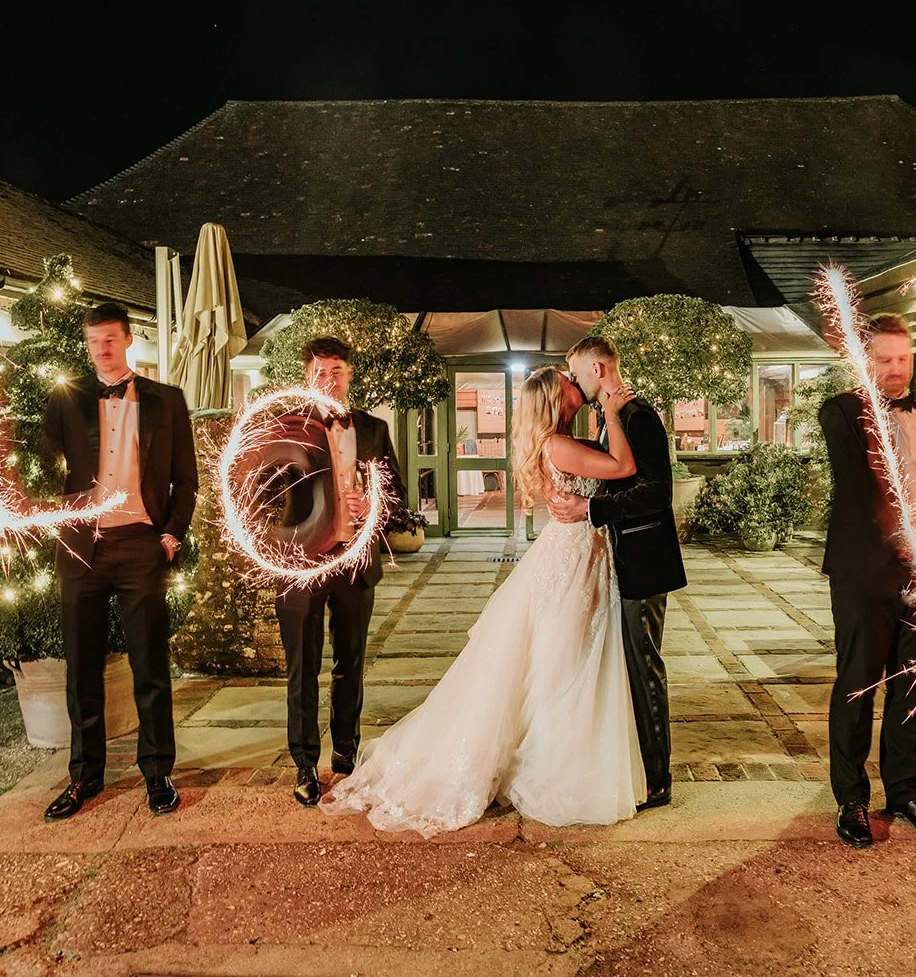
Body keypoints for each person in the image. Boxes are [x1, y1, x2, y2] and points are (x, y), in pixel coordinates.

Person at [321, 367, 645, 835]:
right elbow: (624, 468)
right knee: (565, 660)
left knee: (560, 657)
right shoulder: (557, 445)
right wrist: (614, 415)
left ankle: (557, 749)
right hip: (572, 558)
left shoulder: (556, 441)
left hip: (576, 553)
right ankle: (553, 760)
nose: (575, 382)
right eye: (566, 380)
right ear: (556, 397)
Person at [41, 302, 198, 821]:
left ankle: (158, 775)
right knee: (81, 668)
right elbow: (40, 466)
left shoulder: (166, 401)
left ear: (129, 340)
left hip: (140, 545)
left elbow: (186, 480)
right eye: (93, 341)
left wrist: (171, 536)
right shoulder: (66, 400)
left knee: (149, 665)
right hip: (82, 547)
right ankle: (85, 778)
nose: (101, 348)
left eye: (110, 339)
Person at [819, 313, 916, 848]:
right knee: (858, 685)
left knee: (914, 688)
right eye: (884, 360)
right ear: (864, 361)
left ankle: (905, 791)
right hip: (866, 576)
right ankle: (852, 799)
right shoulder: (841, 412)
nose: (895, 371)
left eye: (903, 359)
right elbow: (859, 487)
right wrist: (896, 535)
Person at [547, 335, 687, 810]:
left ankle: (658, 779)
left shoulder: (639, 416)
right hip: (623, 563)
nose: (575, 382)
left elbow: (657, 494)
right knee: (630, 667)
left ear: (598, 370)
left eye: (578, 373)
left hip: (646, 563)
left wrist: (592, 508)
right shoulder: (612, 418)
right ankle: (641, 767)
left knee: (645, 667)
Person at [275, 336, 405, 807]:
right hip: (302, 564)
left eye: (337, 371)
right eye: (321, 371)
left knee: (350, 664)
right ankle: (305, 763)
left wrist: (375, 503)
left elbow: (399, 497)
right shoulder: (284, 428)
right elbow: (263, 497)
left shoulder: (373, 428)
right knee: (302, 667)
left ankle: (346, 755)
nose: (329, 379)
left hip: (355, 561)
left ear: (350, 375)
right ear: (307, 376)